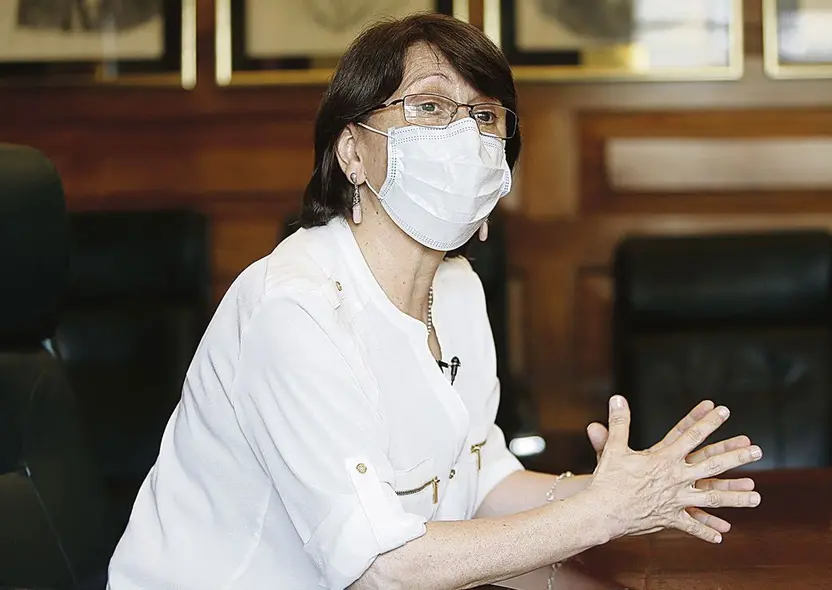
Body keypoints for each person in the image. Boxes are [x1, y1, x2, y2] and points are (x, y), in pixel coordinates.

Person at [106, 13, 763, 590]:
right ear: (352, 152)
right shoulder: (294, 308)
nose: (465, 135)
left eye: (484, 115)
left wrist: (623, 488)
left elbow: (481, 485)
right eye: (428, 106)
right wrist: (598, 515)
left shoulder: (458, 292)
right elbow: (382, 566)